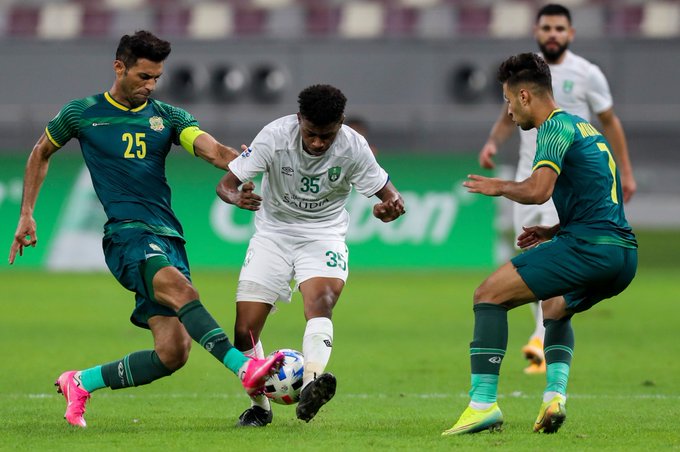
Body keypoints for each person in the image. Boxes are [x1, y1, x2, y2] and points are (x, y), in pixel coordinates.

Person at [8, 30, 284, 428]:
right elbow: (41, 152)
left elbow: (212, 149)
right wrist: (26, 214)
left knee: (173, 353)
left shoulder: (167, 117)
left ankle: (80, 382)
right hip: (127, 235)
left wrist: (242, 164)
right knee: (184, 292)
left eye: (156, 77)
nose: (150, 85)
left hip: (168, 236)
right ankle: (245, 369)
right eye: (143, 76)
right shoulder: (82, 113)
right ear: (119, 67)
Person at [442, 52, 637, 435]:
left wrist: (499, 186)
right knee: (555, 306)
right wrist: (552, 231)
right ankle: (554, 398)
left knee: (488, 295)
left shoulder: (552, 128)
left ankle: (482, 405)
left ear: (525, 96)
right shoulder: (584, 128)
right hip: (623, 254)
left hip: (589, 248)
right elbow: (600, 195)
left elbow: (537, 191)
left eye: (508, 100)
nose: (508, 111)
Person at [216, 84, 405, 427]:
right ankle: (260, 408)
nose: (318, 143)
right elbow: (225, 185)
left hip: (323, 234)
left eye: (326, 136)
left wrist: (390, 208)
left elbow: (390, 196)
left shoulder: (354, 147)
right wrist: (236, 198)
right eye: (311, 134)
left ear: (340, 123)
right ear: (299, 118)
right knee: (245, 329)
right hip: (273, 234)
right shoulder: (274, 136)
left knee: (321, 302)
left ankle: (312, 384)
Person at [478, 3, 636, 374]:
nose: (553, 34)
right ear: (537, 31)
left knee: (498, 289)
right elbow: (507, 119)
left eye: (559, 28)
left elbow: (610, 122)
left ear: (570, 34)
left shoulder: (584, 79)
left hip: (555, 181)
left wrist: (497, 186)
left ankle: (533, 343)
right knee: (536, 262)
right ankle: (553, 386)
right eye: (546, 27)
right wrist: (492, 144)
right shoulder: (531, 83)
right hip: (535, 178)